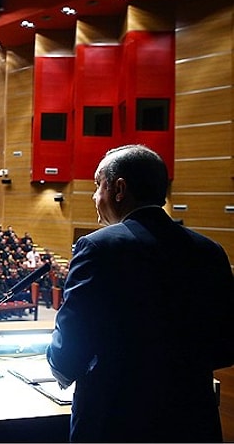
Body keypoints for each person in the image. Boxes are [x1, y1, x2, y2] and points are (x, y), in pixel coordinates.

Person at [46, 145, 234, 442]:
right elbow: (226, 344)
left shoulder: (98, 247)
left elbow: (73, 340)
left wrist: (61, 367)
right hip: (192, 418)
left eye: (97, 186)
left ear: (119, 188)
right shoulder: (210, 251)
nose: (95, 197)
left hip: (117, 419)